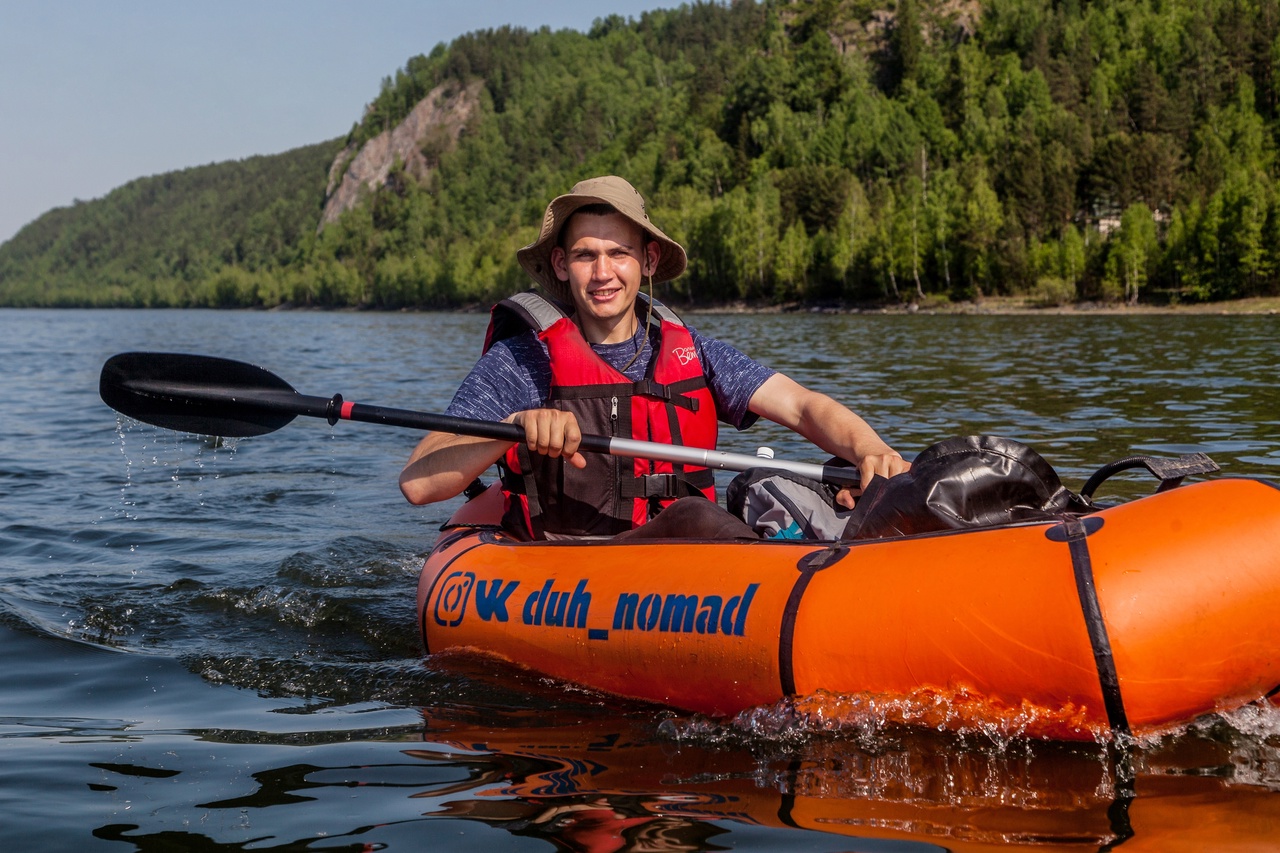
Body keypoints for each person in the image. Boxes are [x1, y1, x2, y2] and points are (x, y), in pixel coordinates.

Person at [400, 175, 910, 539]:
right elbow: (420, 484)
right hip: (571, 569)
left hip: (685, 564)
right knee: (697, 521)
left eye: (618, 253)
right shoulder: (522, 361)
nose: (603, 273)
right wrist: (513, 423)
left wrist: (868, 448)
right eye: (585, 255)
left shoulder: (694, 352)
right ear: (560, 265)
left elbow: (801, 406)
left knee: (775, 487)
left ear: (646, 260)